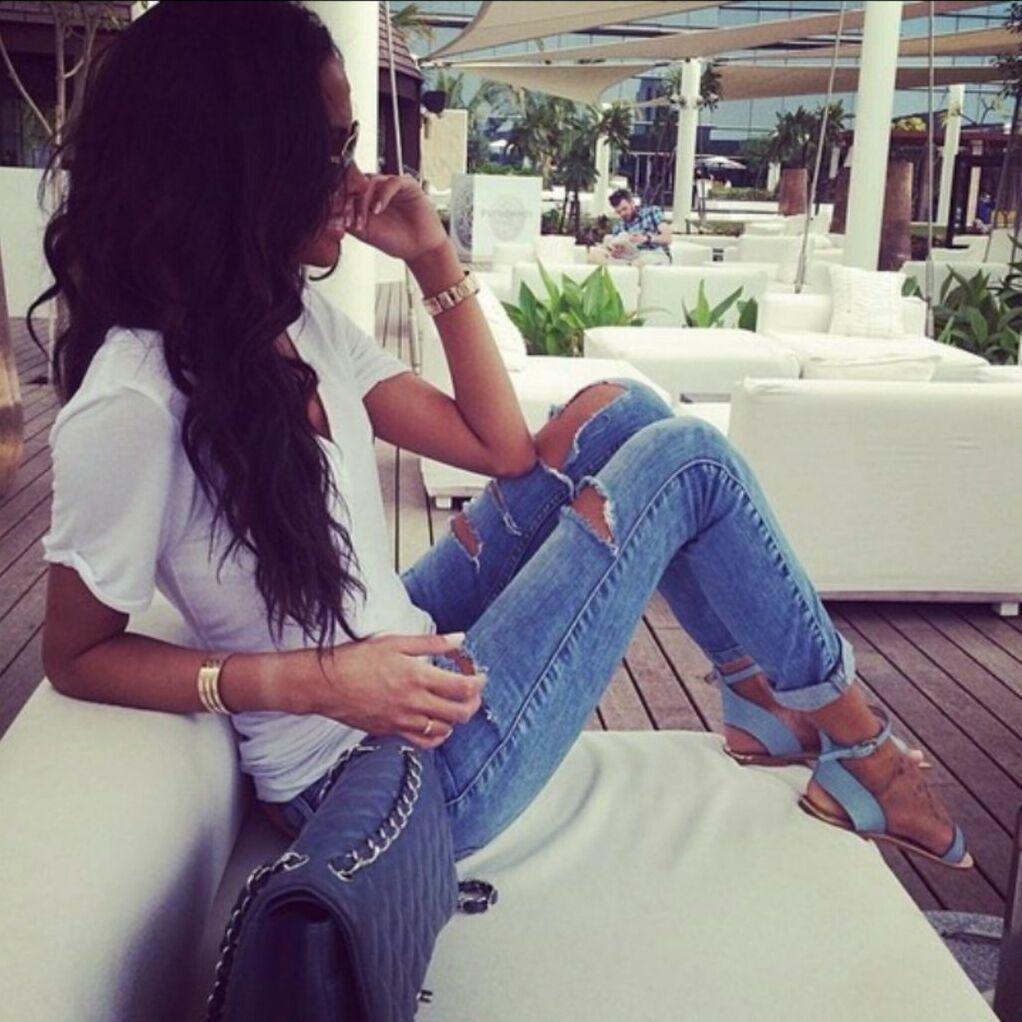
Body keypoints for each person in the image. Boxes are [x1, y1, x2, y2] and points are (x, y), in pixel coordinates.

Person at [36, 1, 968, 875]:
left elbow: (501, 450)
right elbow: (76, 655)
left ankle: (757, 699)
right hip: (382, 779)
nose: (355, 179)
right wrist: (316, 682)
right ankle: (868, 753)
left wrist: (432, 255)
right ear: (240, 167)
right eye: (328, 150)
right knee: (687, 463)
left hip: (404, 658)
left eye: (351, 146)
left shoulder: (291, 322)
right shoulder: (132, 400)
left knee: (626, 415)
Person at [603, 187, 672, 265]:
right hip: (632, 256)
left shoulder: (652, 212)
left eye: (625, 209)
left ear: (632, 203)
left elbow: (668, 238)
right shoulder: (619, 226)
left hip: (655, 254)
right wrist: (616, 252)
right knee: (600, 251)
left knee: (637, 262)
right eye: (619, 212)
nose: (622, 213)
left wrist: (646, 238)